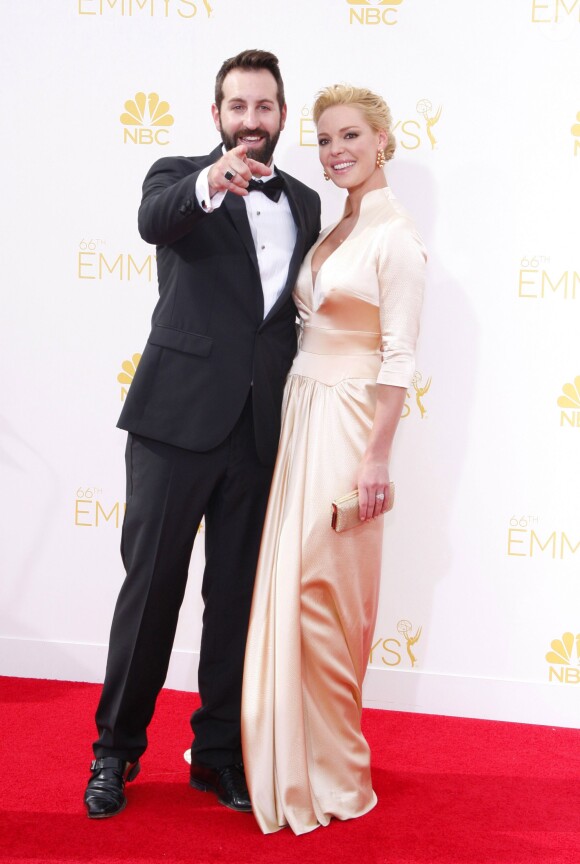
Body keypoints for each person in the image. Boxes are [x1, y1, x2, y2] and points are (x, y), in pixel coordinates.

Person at [83, 49, 321, 819]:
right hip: (173, 424)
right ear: (216, 115)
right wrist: (208, 181)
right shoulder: (176, 178)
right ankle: (114, 753)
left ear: (282, 116)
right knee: (150, 593)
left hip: (258, 431)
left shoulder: (307, 203)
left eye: (264, 107)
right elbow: (154, 221)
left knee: (236, 600)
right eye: (237, 107)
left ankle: (216, 757)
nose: (251, 122)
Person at [241, 84, 426, 834]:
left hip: (350, 422)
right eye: (323, 138)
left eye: (350, 135)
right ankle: (290, 756)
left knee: (325, 593)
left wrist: (378, 458)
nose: (335, 150)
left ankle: (335, 772)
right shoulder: (335, 226)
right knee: (294, 585)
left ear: (383, 139)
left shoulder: (396, 238)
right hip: (302, 411)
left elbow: (399, 356)